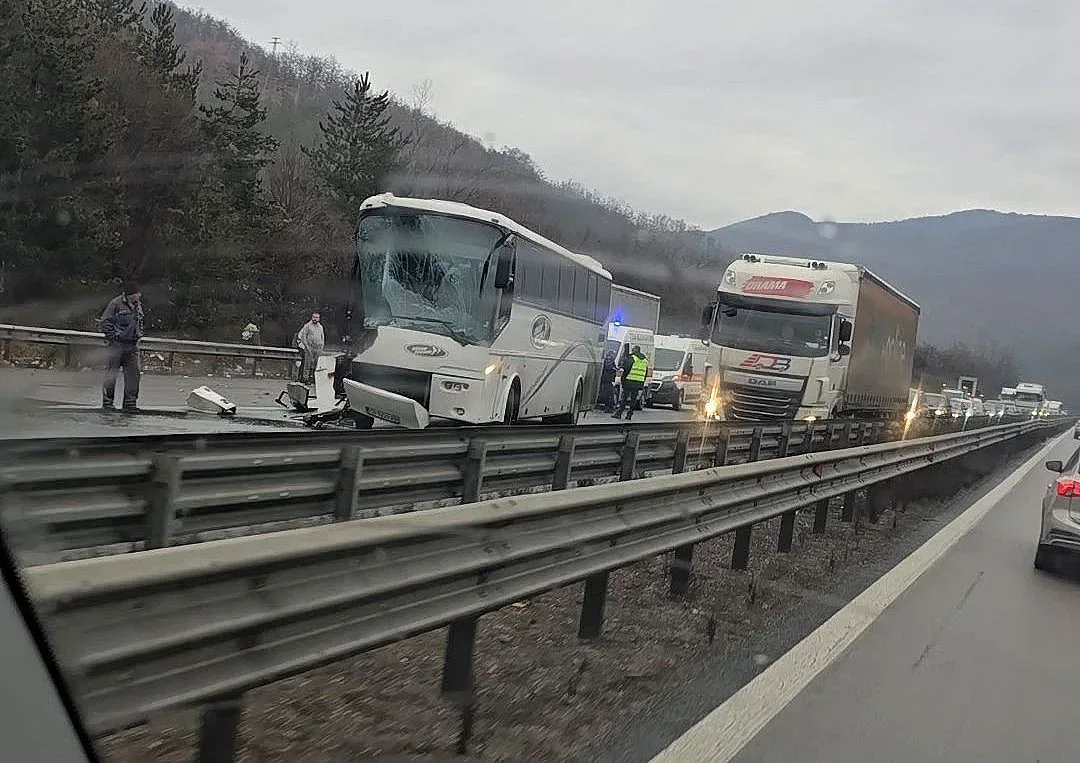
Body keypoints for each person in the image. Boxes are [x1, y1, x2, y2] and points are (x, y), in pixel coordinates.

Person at [100, 281, 144, 411]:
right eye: (136, 294)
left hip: (132, 346)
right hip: (117, 345)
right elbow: (105, 322)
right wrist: (113, 337)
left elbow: (139, 321)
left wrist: (139, 333)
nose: (138, 297)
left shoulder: (138, 305)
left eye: (139, 294)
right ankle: (108, 403)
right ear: (128, 295)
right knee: (111, 374)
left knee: (133, 375)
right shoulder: (115, 304)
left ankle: (130, 404)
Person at [612, 345, 648, 421]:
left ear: (635, 350)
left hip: (629, 381)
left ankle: (619, 413)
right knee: (633, 399)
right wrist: (642, 381)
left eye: (633, 349)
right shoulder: (645, 360)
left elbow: (626, 369)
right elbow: (645, 373)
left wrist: (623, 379)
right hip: (638, 382)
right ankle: (629, 415)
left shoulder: (632, 358)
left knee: (624, 398)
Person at [296, 312, 325, 383]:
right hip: (309, 347)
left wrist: (321, 346)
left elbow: (322, 337)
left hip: (317, 348)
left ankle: (312, 378)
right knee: (308, 363)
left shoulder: (320, 327)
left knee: (315, 364)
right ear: (311, 317)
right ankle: (305, 378)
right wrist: (307, 347)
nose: (315, 319)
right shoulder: (307, 326)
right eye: (314, 317)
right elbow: (303, 337)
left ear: (319, 319)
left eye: (317, 317)